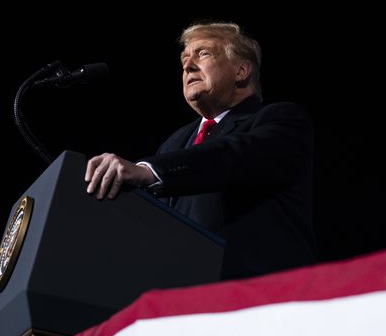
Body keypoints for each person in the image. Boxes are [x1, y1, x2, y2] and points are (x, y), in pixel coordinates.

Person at [84, 22, 315, 279]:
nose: (187, 66)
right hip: (179, 296)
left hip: (254, 293)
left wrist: (148, 171)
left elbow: (231, 155)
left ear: (241, 70)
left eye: (203, 54)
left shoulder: (280, 120)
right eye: (184, 59)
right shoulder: (174, 143)